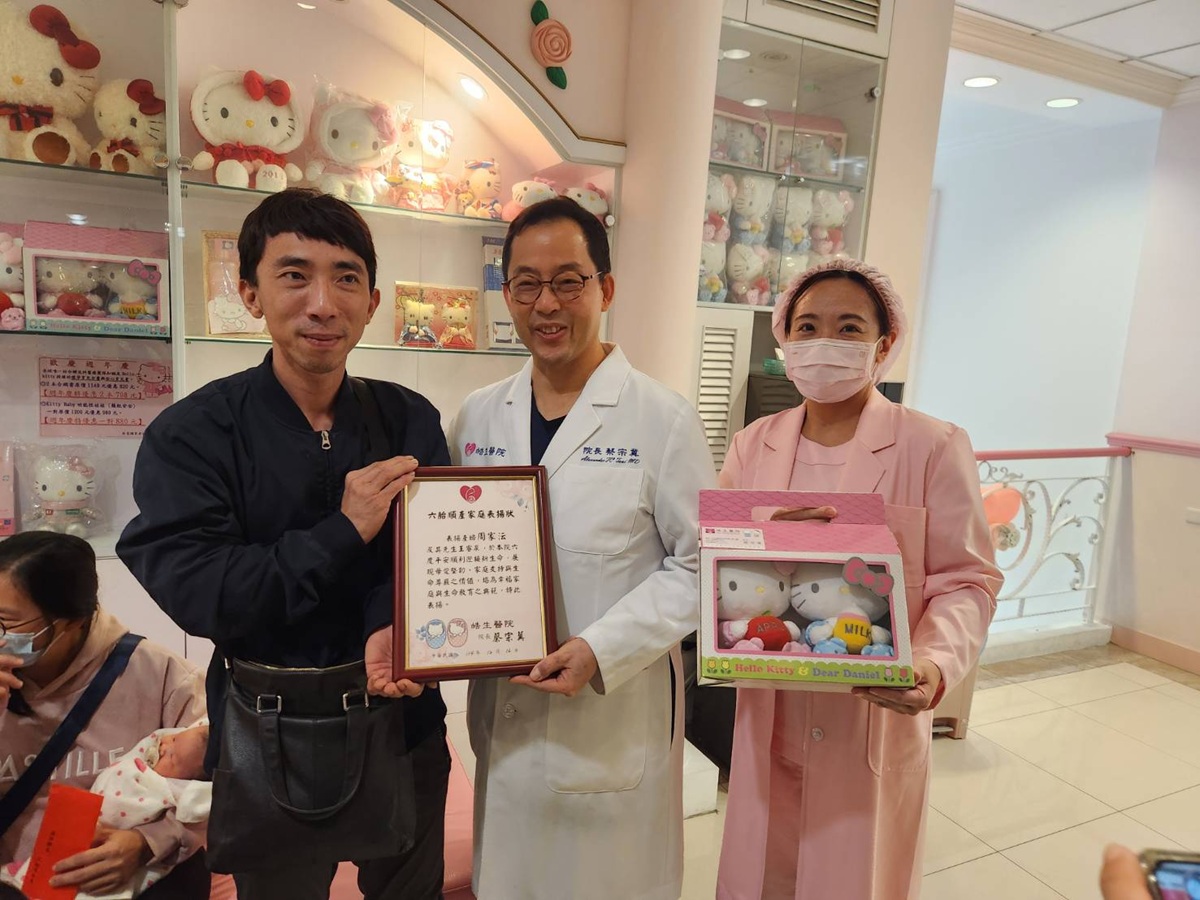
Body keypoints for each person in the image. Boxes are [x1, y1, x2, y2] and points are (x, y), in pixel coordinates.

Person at [116, 188, 451, 900]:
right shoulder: (193, 434)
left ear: (373, 300)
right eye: (294, 276)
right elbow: (206, 594)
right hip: (265, 728)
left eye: (346, 278)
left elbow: (427, 560)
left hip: (402, 719)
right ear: (250, 294)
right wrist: (343, 531)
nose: (323, 304)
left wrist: (388, 622)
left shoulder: (409, 418)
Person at [445, 196, 716, 900]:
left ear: (606, 288)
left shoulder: (663, 419)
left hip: (609, 719)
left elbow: (702, 565)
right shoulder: (477, 416)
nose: (547, 304)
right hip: (504, 716)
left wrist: (602, 648)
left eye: (569, 281)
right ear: (506, 294)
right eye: (526, 285)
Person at [714, 259, 1003, 900]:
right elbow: (718, 562)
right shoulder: (752, 445)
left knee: (854, 878)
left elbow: (967, 578)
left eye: (848, 328)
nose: (825, 343)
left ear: (883, 343)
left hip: (872, 712)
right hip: (770, 702)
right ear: (784, 338)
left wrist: (932, 663)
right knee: (763, 875)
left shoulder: (932, 445)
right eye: (808, 327)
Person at [0, 531, 208, 898]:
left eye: (5, 621)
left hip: (126, 883)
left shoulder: (160, 675)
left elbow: (224, 789)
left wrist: (146, 843)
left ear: (72, 621)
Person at [3, 721, 212, 899]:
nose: (163, 746)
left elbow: (212, 806)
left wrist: (145, 842)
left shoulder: (176, 691)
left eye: (171, 757)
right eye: (172, 739)